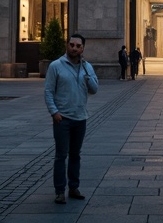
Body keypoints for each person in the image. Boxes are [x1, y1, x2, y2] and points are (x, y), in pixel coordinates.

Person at [44, 33, 98, 205]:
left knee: (75, 155)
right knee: (61, 155)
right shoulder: (56, 66)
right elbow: (48, 91)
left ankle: (74, 188)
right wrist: (54, 112)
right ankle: (60, 191)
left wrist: (88, 76)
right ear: (67, 45)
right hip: (62, 119)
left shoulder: (87, 67)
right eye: (71, 45)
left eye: (78, 46)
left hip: (80, 118)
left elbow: (94, 90)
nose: (74, 48)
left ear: (83, 48)